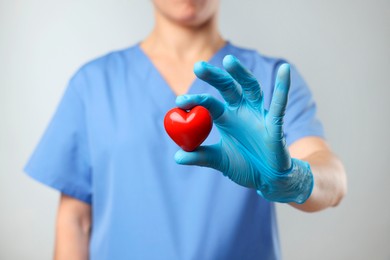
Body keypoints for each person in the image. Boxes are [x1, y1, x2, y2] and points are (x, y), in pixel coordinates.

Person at [24, 0, 347, 259]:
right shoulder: (93, 84)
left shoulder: (270, 79)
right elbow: (75, 222)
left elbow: (332, 177)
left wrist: (293, 179)